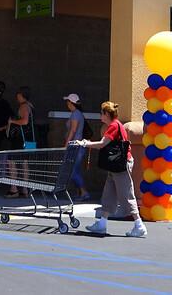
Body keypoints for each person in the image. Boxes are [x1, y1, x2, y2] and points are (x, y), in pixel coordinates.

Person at [73, 101, 146, 238]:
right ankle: (102, 223)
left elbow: (102, 144)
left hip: (121, 165)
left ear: (106, 114)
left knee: (126, 195)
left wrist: (84, 143)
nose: (100, 115)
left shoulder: (113, 126)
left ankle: (139, 225)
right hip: (116, 165)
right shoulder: (115, 125)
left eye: (101, 113)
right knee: (109, 193)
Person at [1, 87, 36, 198]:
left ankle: (14, 189)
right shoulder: (31, 106)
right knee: (25, 164)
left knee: (12, 163)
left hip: (21, 140)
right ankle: (25, 189)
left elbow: (24, 121)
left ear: (22, 95)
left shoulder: (24, 106)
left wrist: (12, 121)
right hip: (30, 139)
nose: (17, 98)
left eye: (18, 95)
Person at [63, 93, 90, 201]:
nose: (66, 104)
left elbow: (73, 131)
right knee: (75, 170)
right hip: (77, 147)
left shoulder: (75, 114)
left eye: (68, 102)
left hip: (75, 147)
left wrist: (66, 145)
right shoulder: (77, 114)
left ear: (71, 103)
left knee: (73, 171)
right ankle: (80, 192)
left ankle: (84, 192)